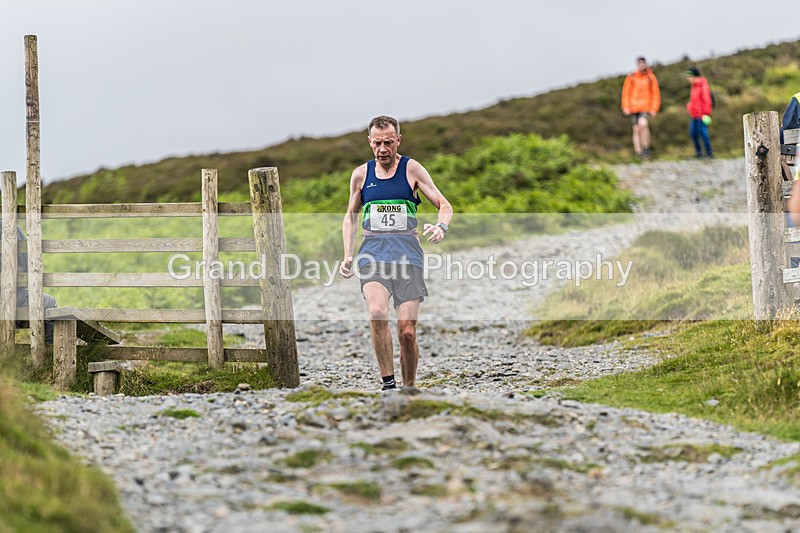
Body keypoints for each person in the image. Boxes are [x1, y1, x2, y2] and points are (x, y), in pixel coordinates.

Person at [339, 115, 452, 391]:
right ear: (369, 142)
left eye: (388, 143)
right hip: (373, 253)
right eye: (377, 143)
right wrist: (348, 254)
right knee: (377, 313)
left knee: (407, 333)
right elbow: (350, 217)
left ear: (398, 140)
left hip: (407, 255)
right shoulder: (361, 175)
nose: (383, 150)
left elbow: (444, 204)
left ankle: (409, 388)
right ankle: (388, 385)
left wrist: (441, 227)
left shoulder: (412, 169)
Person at [0, 221, 56, 343]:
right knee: (49, 302)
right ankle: (48, 352)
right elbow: (25, 262)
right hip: (12, 301)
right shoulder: (7, 225)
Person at [621, 56, 661, 159]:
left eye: (643, 63)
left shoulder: (651, 77)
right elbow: (626, 93)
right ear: (637, 65)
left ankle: (646, 149)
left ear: (646, 64)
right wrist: (625, 106)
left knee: (643, 124)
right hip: (633, 107)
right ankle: (638, 153)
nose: (641, 65)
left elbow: (655, 94)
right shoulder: (631, 77)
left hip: (646, 107)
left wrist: (654, 108)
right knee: (636, 129)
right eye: (639, 64)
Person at [685, 66, 714, 158]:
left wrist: (705, 113)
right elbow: (694, 100)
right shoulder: (694, 86)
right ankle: (699, 153)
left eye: (689, 76)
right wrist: (690, 106)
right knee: (693, 133)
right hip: (694, 115)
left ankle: (709, 153)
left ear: (693, 76)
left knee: (703, 134)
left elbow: (707, 100)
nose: (688, 79)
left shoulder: (702, 85)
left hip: (701, 115)